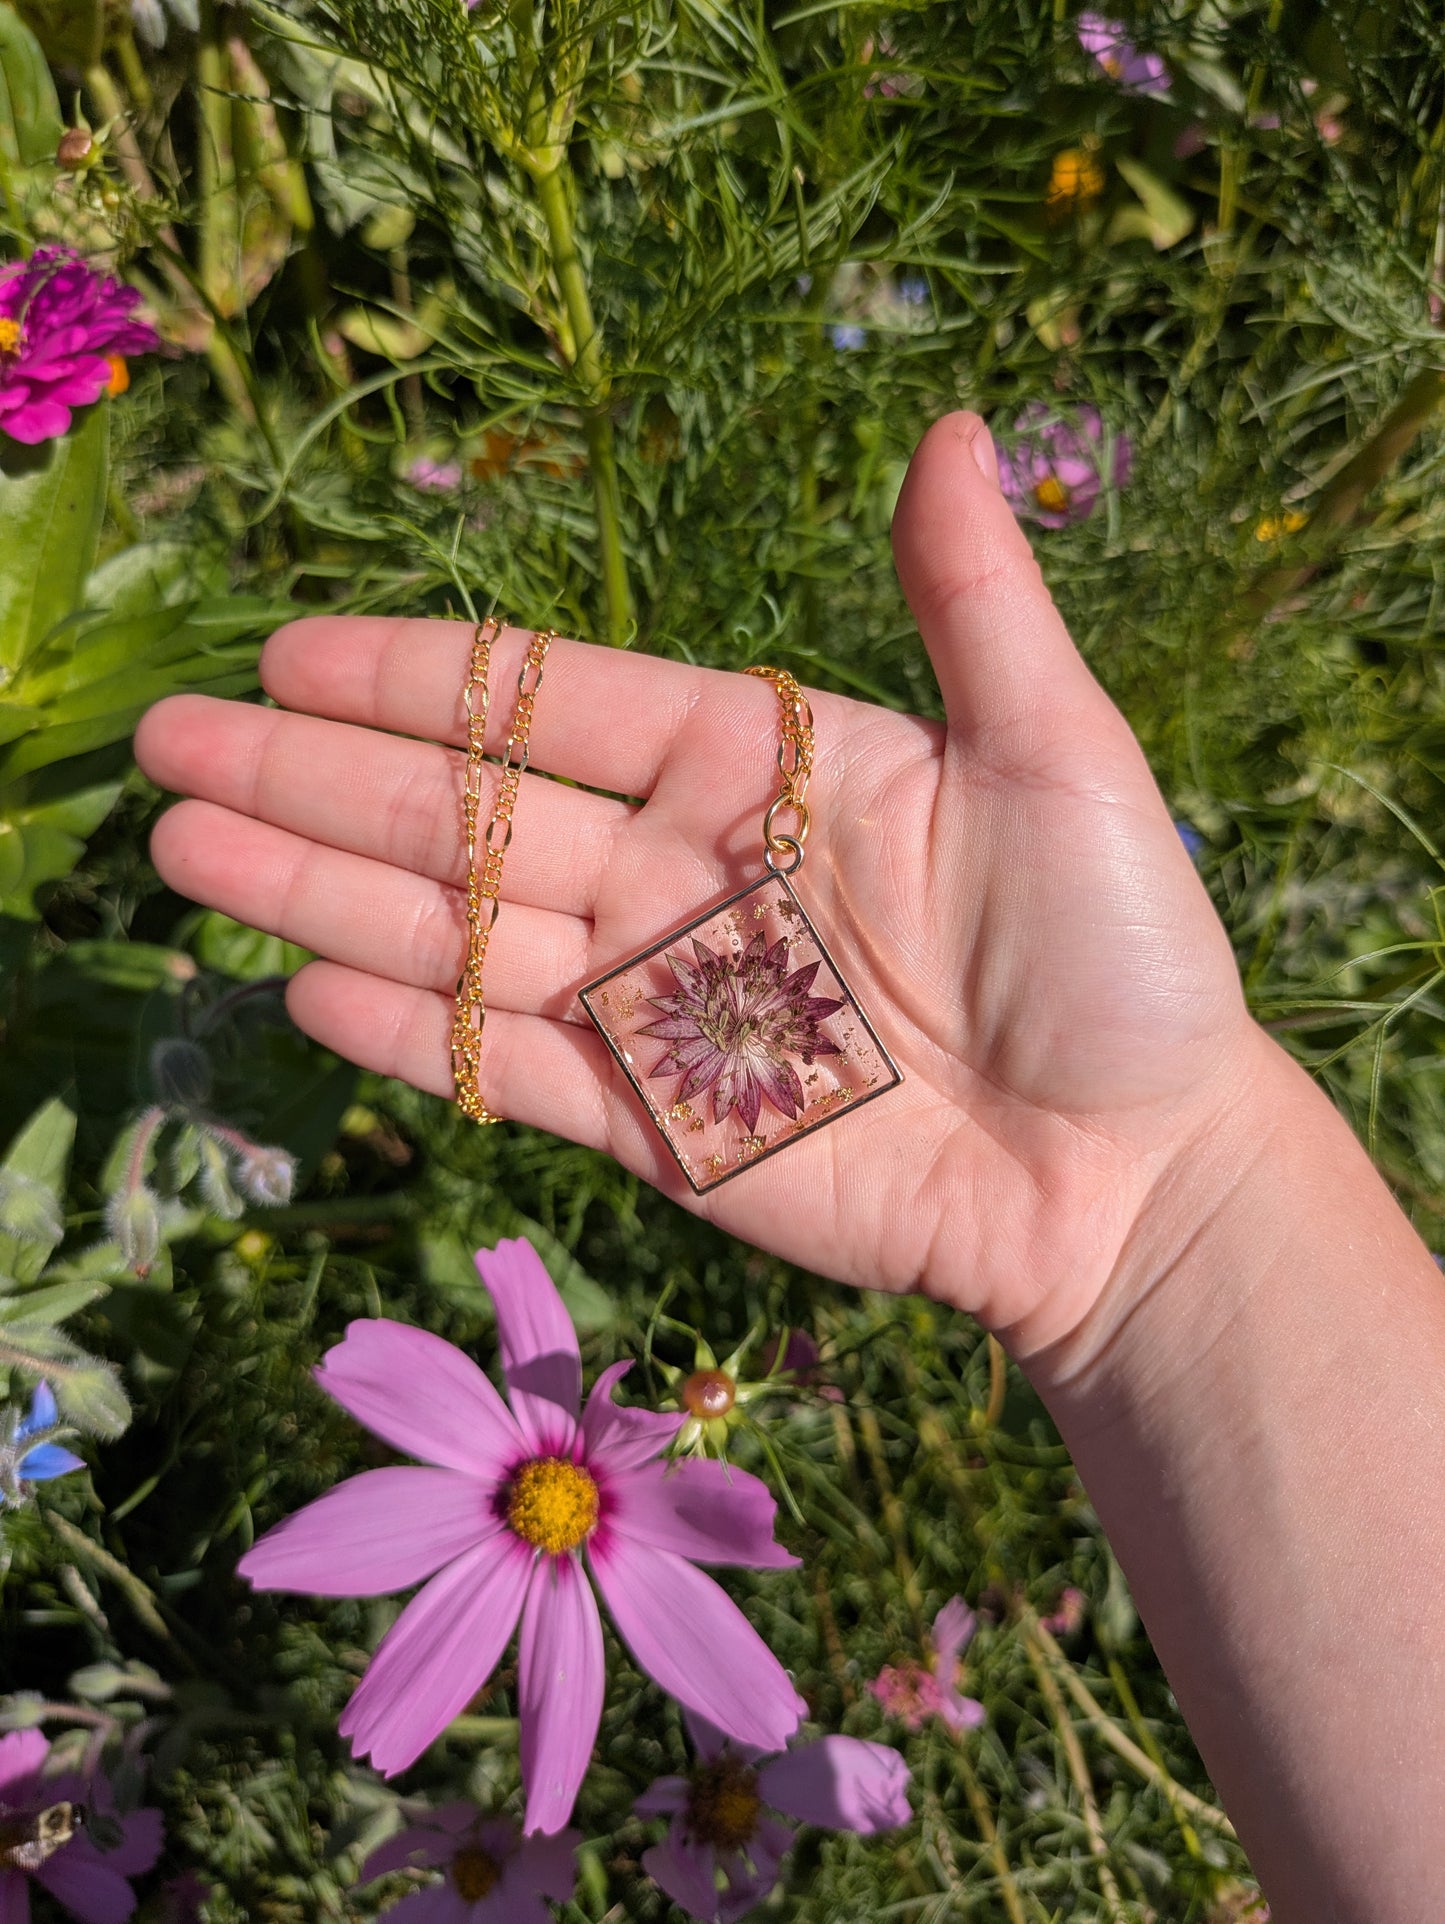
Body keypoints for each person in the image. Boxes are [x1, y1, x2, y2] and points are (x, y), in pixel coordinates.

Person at [134, 413, 1444, 1924]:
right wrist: (1171, 1216)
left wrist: (1169, 1191)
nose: (559, 1509)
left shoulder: (593, 1506)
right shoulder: (569, 1493)